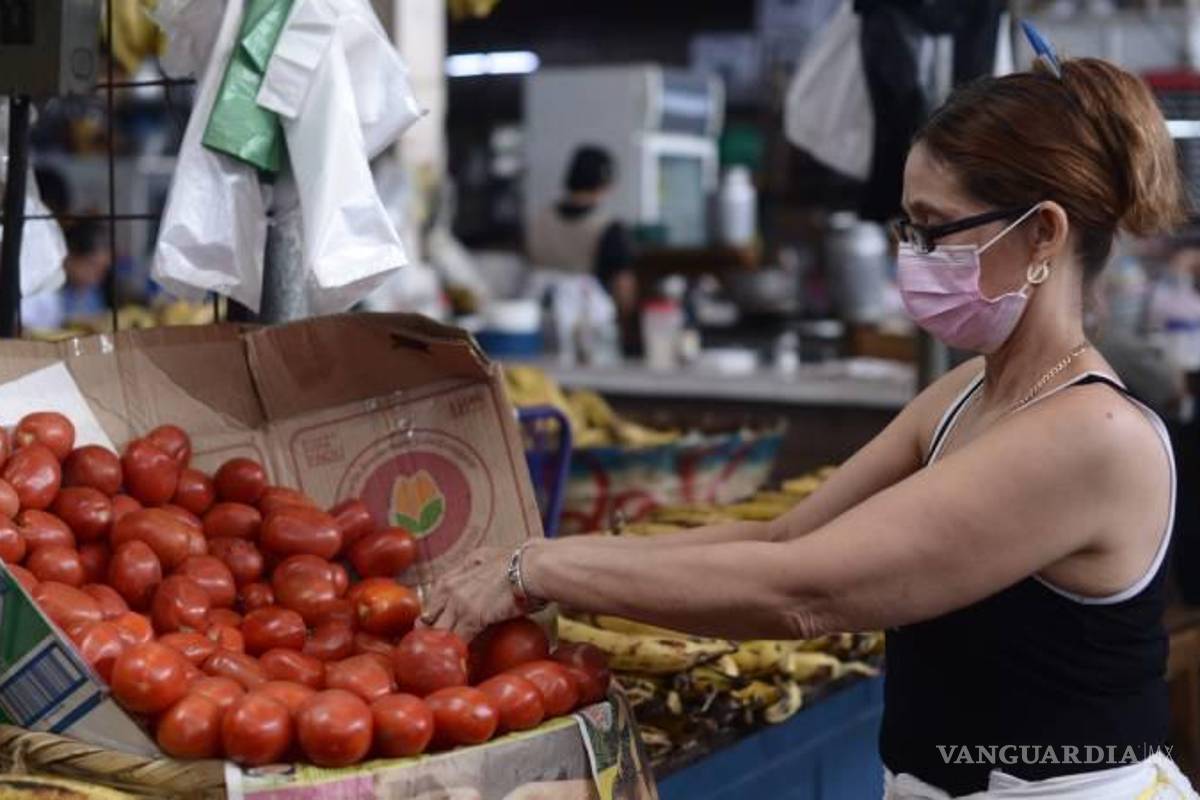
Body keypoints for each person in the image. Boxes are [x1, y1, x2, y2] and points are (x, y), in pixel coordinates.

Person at [427, 56, 1197, 798]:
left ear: (1042, 235)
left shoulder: (1094, 435)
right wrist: (545, 558)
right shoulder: (969, 391)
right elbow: (784, 538)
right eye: (909, 228)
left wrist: (541, 572)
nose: (913, 255)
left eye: (934, 229)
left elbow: (805, 591)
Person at [527, 145, 637, 316]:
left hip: (537, 317)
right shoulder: (608, 227)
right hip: (589, 322)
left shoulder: (539, 220)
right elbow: (623, 288)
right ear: (605, 183)